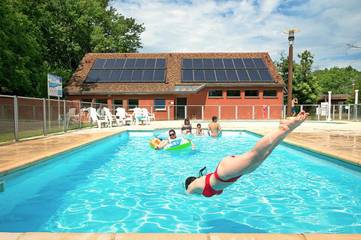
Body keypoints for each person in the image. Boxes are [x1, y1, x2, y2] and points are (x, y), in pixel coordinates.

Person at [185, 111, 309, 197]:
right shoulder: (200, 183)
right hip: (229, 174)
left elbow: (187, 195)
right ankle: (288, 129)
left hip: (224, 173)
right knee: (263, 156)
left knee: (254, 156)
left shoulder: (192, 187)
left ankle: (283, 128)